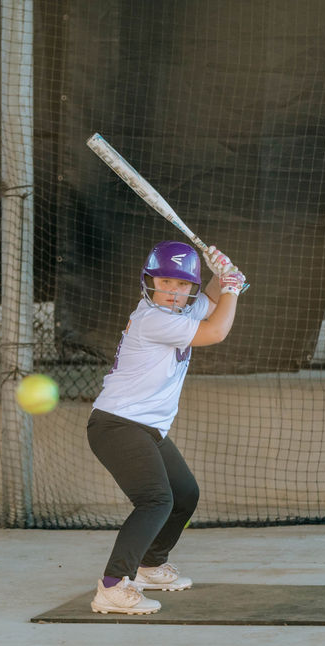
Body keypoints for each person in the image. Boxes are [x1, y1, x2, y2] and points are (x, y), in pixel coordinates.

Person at [87, 240, 246, 614]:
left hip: (146, 428)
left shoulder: (179, 313)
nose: (174, 291)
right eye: (166, 282)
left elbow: (208, 301)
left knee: (185, 494)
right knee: (156, 500)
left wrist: (221, 275)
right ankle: (112, 585)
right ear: (150, 282)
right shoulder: (153, 318)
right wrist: (232, 287)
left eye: (182, 285)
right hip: (117, 424)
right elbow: (217, 330)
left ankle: (150, 565)